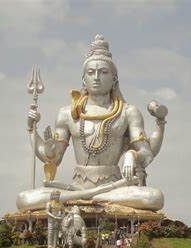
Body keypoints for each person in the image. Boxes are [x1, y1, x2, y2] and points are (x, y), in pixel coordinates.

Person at [17, 35, 167, 212]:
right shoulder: (67, 114)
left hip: (116, 185)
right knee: (24, 199)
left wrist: (132, 156)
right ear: (83, 80)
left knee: (154, 197)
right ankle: (92, 196)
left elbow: (146, 153)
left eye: (103, 72)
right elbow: (52, 159)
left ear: (114, 80)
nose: (96, 77)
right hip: (77, 185)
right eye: (91, 72)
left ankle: (88, 198)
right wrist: (32, 130)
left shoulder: (128, 112)